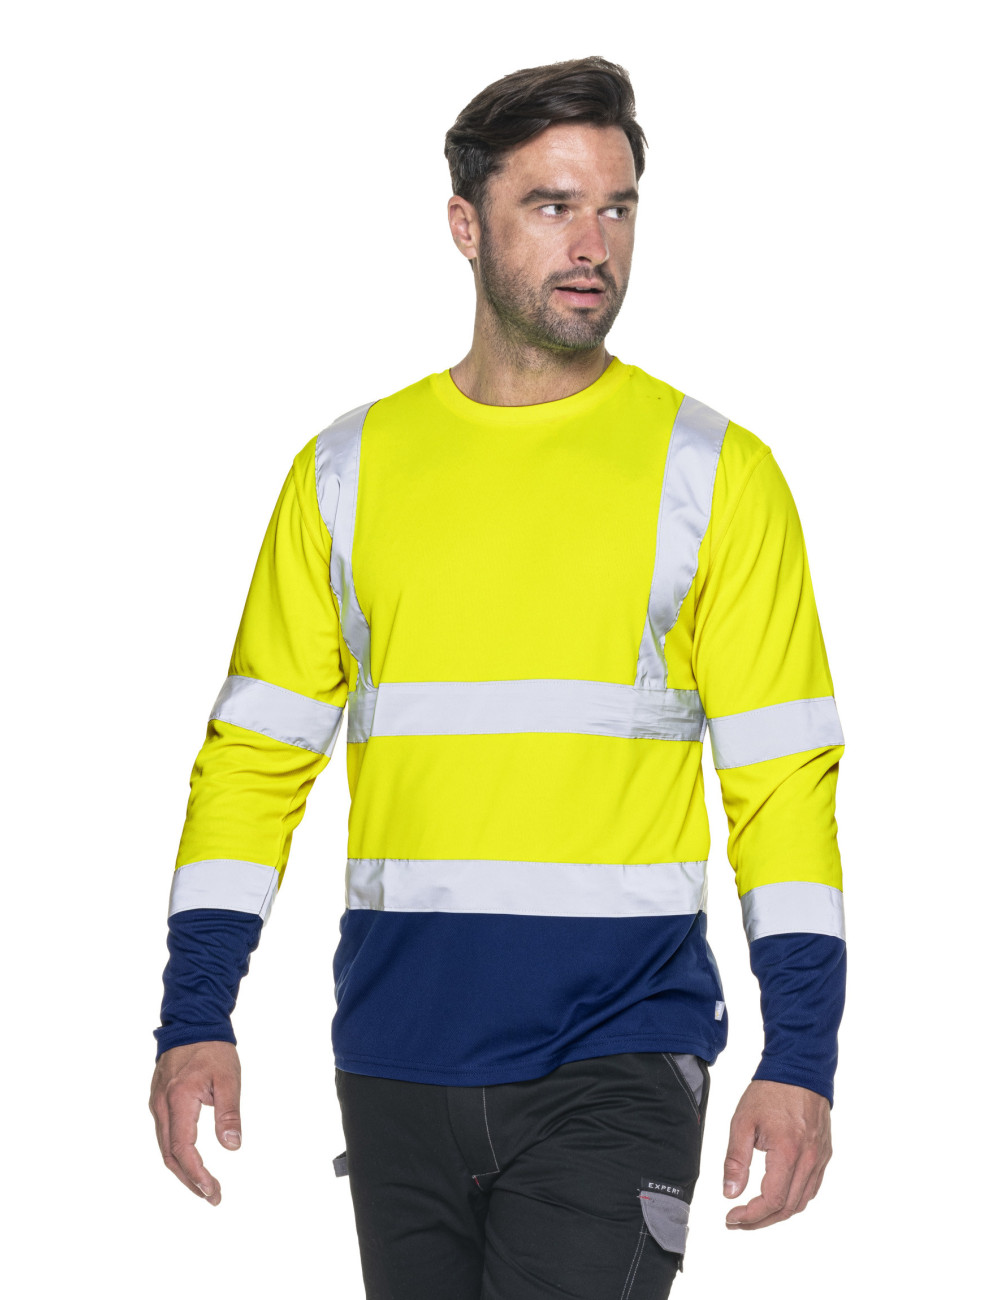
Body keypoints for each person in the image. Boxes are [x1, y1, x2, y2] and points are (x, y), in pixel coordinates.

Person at [149, 55, 846, 1299]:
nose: (593, 244)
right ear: (465, 225)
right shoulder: (347, 472)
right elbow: (254, 761)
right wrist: (195, 1009)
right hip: (394, 1057)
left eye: (617, 207)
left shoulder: (713, 474)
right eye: (551, 204)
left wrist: (802, 1051)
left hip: (616, 1056)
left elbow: (783, 785)